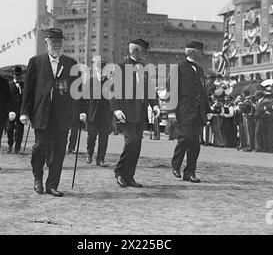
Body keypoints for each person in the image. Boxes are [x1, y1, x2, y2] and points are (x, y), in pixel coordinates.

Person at [20, 28, 87, 197]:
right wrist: (25, 112)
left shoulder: (71, 64)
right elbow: (28, 89)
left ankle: (52, 185)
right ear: (46, 43)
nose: (56, 45)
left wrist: (81, 111)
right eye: (53, 42)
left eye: (59, 42)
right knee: (40, 147)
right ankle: (37, 179)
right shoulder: (35, 62)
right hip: (41, 113)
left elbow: (77, 90)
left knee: (58, 151)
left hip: (62, 115)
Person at [110, 38, 160, 187]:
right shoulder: (120, 67)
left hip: (141, 112)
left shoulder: (143, 68)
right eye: (144, 51)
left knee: (137, 146)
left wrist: (155, 105)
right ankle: (120, 172)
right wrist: (116, 109)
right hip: (127, 112)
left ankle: (129, 176)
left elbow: (149, 89)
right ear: (136, 50)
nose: (146, 54)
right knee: (131, 143)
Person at [169, 41, 211, 183]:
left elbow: (202, 91)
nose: (202, 54)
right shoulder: (178, 68)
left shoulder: (199, 70)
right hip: (184, 111)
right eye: (200, 51)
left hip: (198, 112)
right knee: (185, 138)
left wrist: (208, 110)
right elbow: (173, 91)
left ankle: (190, 172)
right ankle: (176, 164)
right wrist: (172, 112)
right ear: (193, 52)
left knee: (195, 144)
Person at [85, 61, 111, 167]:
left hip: (105, 114)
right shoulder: (90, 81)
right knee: (91, 136)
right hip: (92, 114)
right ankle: (89, 154)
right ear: (96, 70)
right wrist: (84, 112)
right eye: (99, 69)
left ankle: (100, 159)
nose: (101, 72)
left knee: (104, 138)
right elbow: (85, 98)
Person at [7, 66, 25, 154]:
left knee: (20, 130)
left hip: (21, 111)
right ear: (13, 75)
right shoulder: (8, 85)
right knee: (10, 129)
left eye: (19, 75)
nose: (17, 76)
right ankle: (10, 145)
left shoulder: (24, 85)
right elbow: (6, 99)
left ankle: (18, 147)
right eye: (15, 75)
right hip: (11, 111)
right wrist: (9, 110)